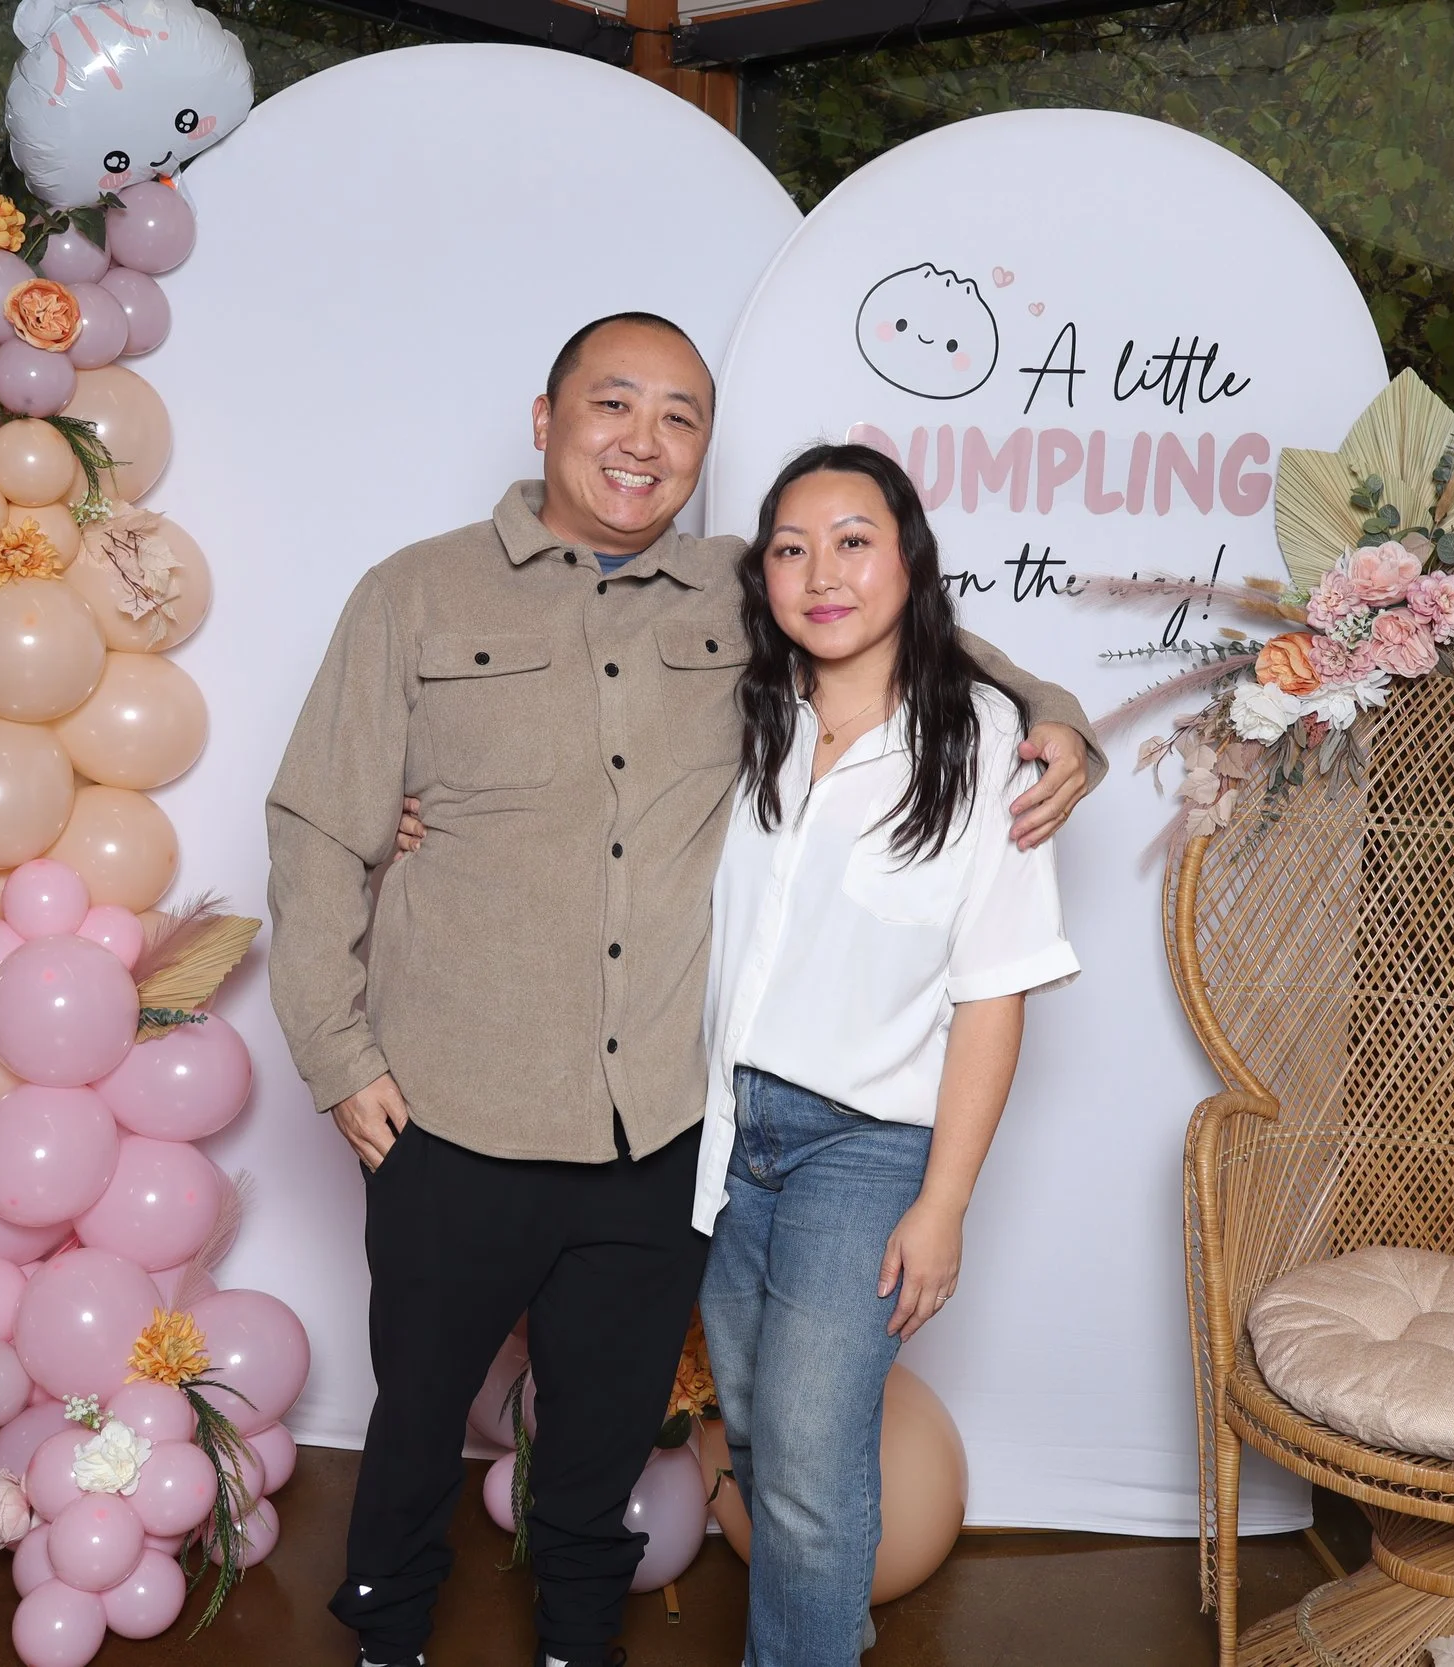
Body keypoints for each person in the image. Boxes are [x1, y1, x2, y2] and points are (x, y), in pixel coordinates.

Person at [266, 313, 1104, 1667]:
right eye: (614, 405)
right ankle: (388, 1635)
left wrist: (1062, 718)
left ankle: (577, 1642)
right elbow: (318, 824)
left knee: (600, 1428)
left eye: (681, 418)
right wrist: (333, 1043)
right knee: (419, 1411)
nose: (643, 441)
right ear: (544, 419)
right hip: (451, 1104)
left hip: (658, 1121)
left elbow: (920, 639)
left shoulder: (741, 586)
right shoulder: (412, 594)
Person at [696, 443, 1080, 1667]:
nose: (822, 572)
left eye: (853, 540)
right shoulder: (738, 719)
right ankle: (829, 1625)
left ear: (908, 561)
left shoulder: (983, 745)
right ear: (760, 574)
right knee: (754, 1427)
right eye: (791, 547)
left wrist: (945, 1201)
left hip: (864, 1147)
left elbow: (994, 989)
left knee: (808, 1456)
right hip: (719, 1128)